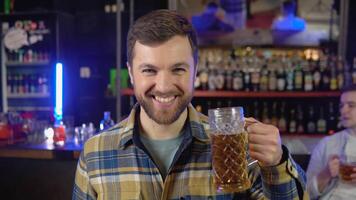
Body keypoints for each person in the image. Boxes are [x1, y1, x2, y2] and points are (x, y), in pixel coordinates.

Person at [73, 9, 307, 199]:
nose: (163, 86)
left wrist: (276, 164)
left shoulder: (238, 147)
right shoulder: (96, 154)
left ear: (195, 72)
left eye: (178, 69)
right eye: (149, 70)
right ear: (131, 74)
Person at [307, 84, 356, 199]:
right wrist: (325, 174)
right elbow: (305, 194)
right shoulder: (327, 143)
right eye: (341, 105)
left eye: (351, 105)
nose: (343, 110)